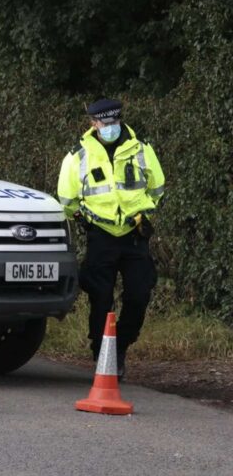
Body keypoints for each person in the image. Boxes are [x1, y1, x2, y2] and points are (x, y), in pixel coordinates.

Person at [57, 98, 165, 378]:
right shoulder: (78, 155)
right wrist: (82, 219)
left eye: (114, 122)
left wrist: (143, 213)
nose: (110, 128)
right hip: (100, 235)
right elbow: (67, 199)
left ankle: (121, 347)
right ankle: (101, 353)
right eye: (105, 124)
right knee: (101, 298)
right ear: (93, 124)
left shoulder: (141, 149)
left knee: (139, 293)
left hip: (133, 234)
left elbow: (157, 187)